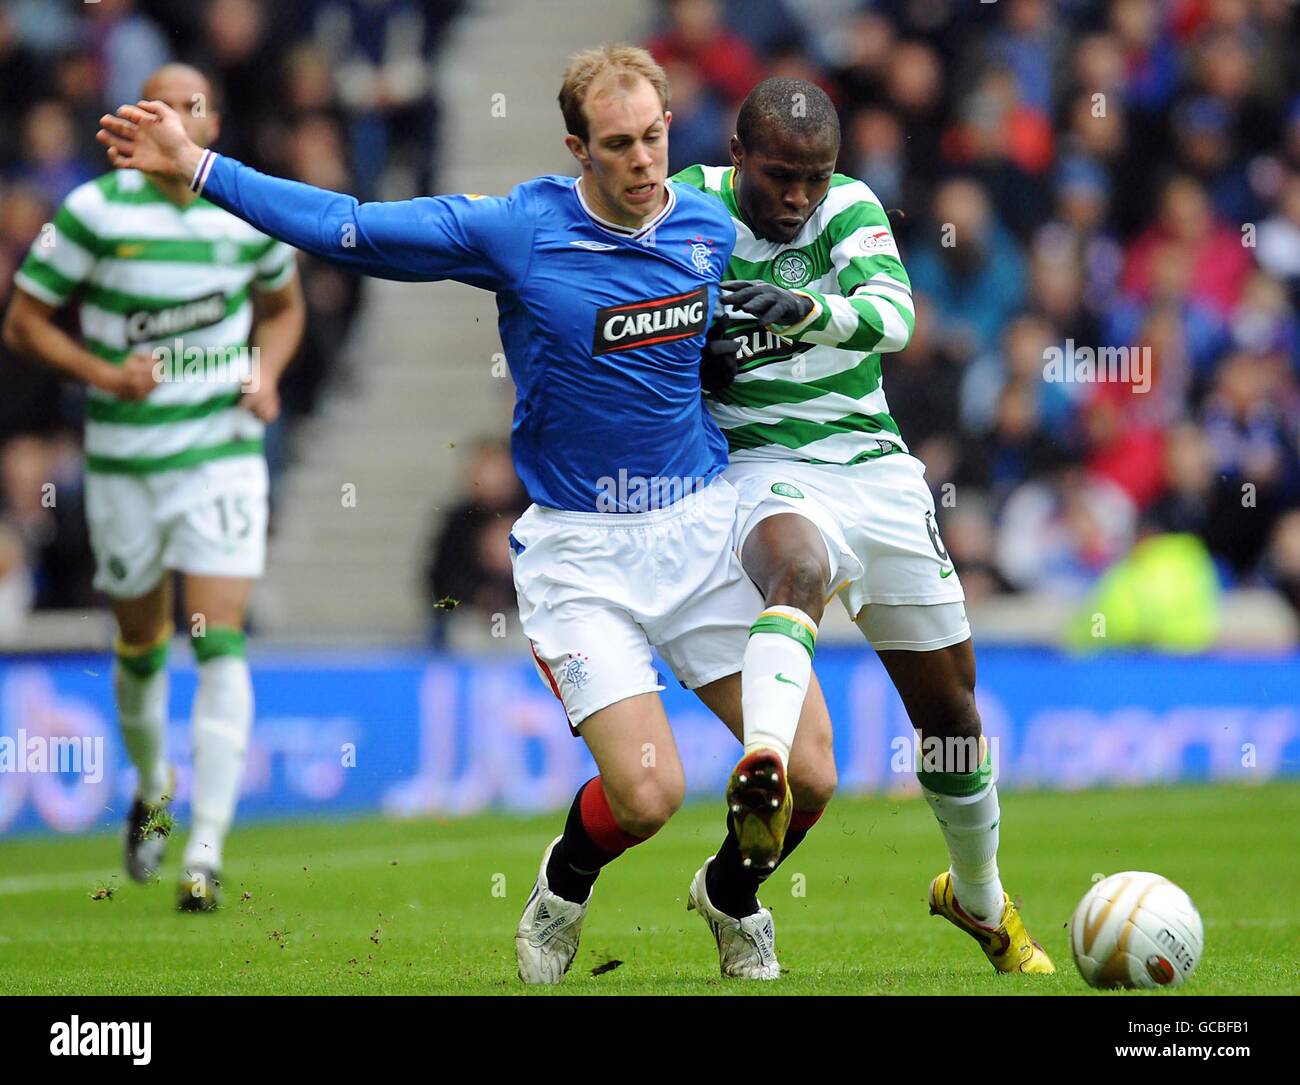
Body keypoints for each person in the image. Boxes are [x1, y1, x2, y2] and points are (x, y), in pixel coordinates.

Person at [94, 44, 836, 983]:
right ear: (578, 148)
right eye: (620, 145)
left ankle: (732, 896)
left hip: (699, 527)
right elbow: (348, 227)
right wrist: (200, 168)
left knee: (809, 772)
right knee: (649, 794)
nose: (647, 161)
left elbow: (773, 265)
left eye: (655, 136)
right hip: (582, 550)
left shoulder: (705, 221)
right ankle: (563, 887)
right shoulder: (515, 230)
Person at [675, 77, 1054, 973]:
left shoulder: (848, 208)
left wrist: (795, 311)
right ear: (737, 157)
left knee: (951, 711)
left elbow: (893, 318)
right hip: (763, 467)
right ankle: (764, 765)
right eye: (780, 177)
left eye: (815, 176)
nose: (799, 196)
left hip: (877, 473)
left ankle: (979, 897)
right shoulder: (688, 205)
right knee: (795, 569)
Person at [3, 64, 305, 911]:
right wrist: (102, 369)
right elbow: (23, 321)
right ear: (139, 119)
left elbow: (283, 308)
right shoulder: (97, 213)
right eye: (160, 103)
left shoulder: (247, 208)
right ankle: (153, 786)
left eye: (191, 104)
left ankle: (204, 850)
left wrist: (268, 375)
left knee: (220, 641)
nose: (176, 116)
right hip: (126, 465)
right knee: (140, 644)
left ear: (210, 120)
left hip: (222, 454)